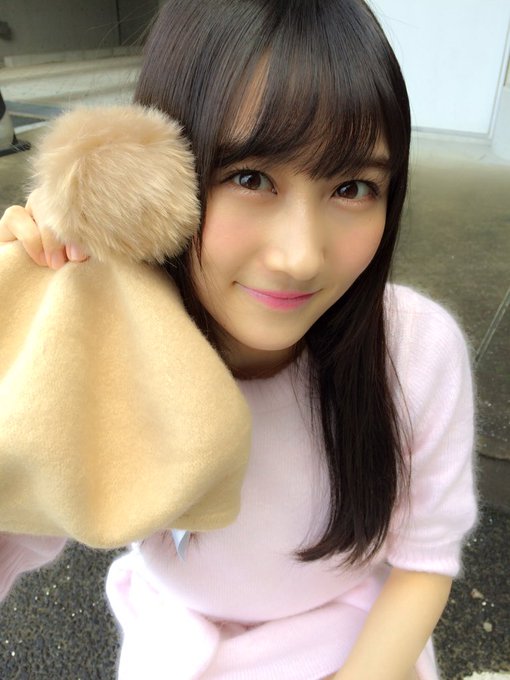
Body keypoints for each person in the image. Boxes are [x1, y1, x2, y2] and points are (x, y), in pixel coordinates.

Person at [0, 1, 477, 679]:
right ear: (158, 177)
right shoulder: (110, 337)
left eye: (352, 187)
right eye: (251, 178)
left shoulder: (416, 351)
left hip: (356, 646)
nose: (300, 257)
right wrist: (30, 316)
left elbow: (425, 558)